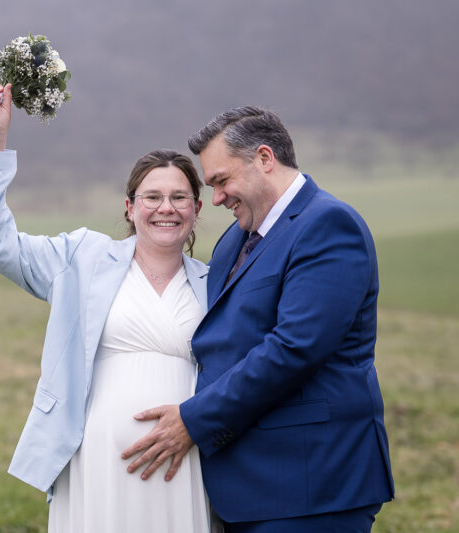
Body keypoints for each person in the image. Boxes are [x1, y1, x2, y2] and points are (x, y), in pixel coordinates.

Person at [121, 106, 395, 532]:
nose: (215, 199)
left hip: (311, 486)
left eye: (222, 181)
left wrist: (193, 419)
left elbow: (295, 348)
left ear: (265, 159)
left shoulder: (328, 225)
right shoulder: (234, 240)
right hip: (247, 488)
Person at [0, 83, 216, 532]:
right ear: (129, 207)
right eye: (152, 197)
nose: (166, 208)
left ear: (196, 208)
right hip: (95, 459)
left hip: (187, 458)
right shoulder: (81, 258)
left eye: (179, 197)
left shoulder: (216, 283)